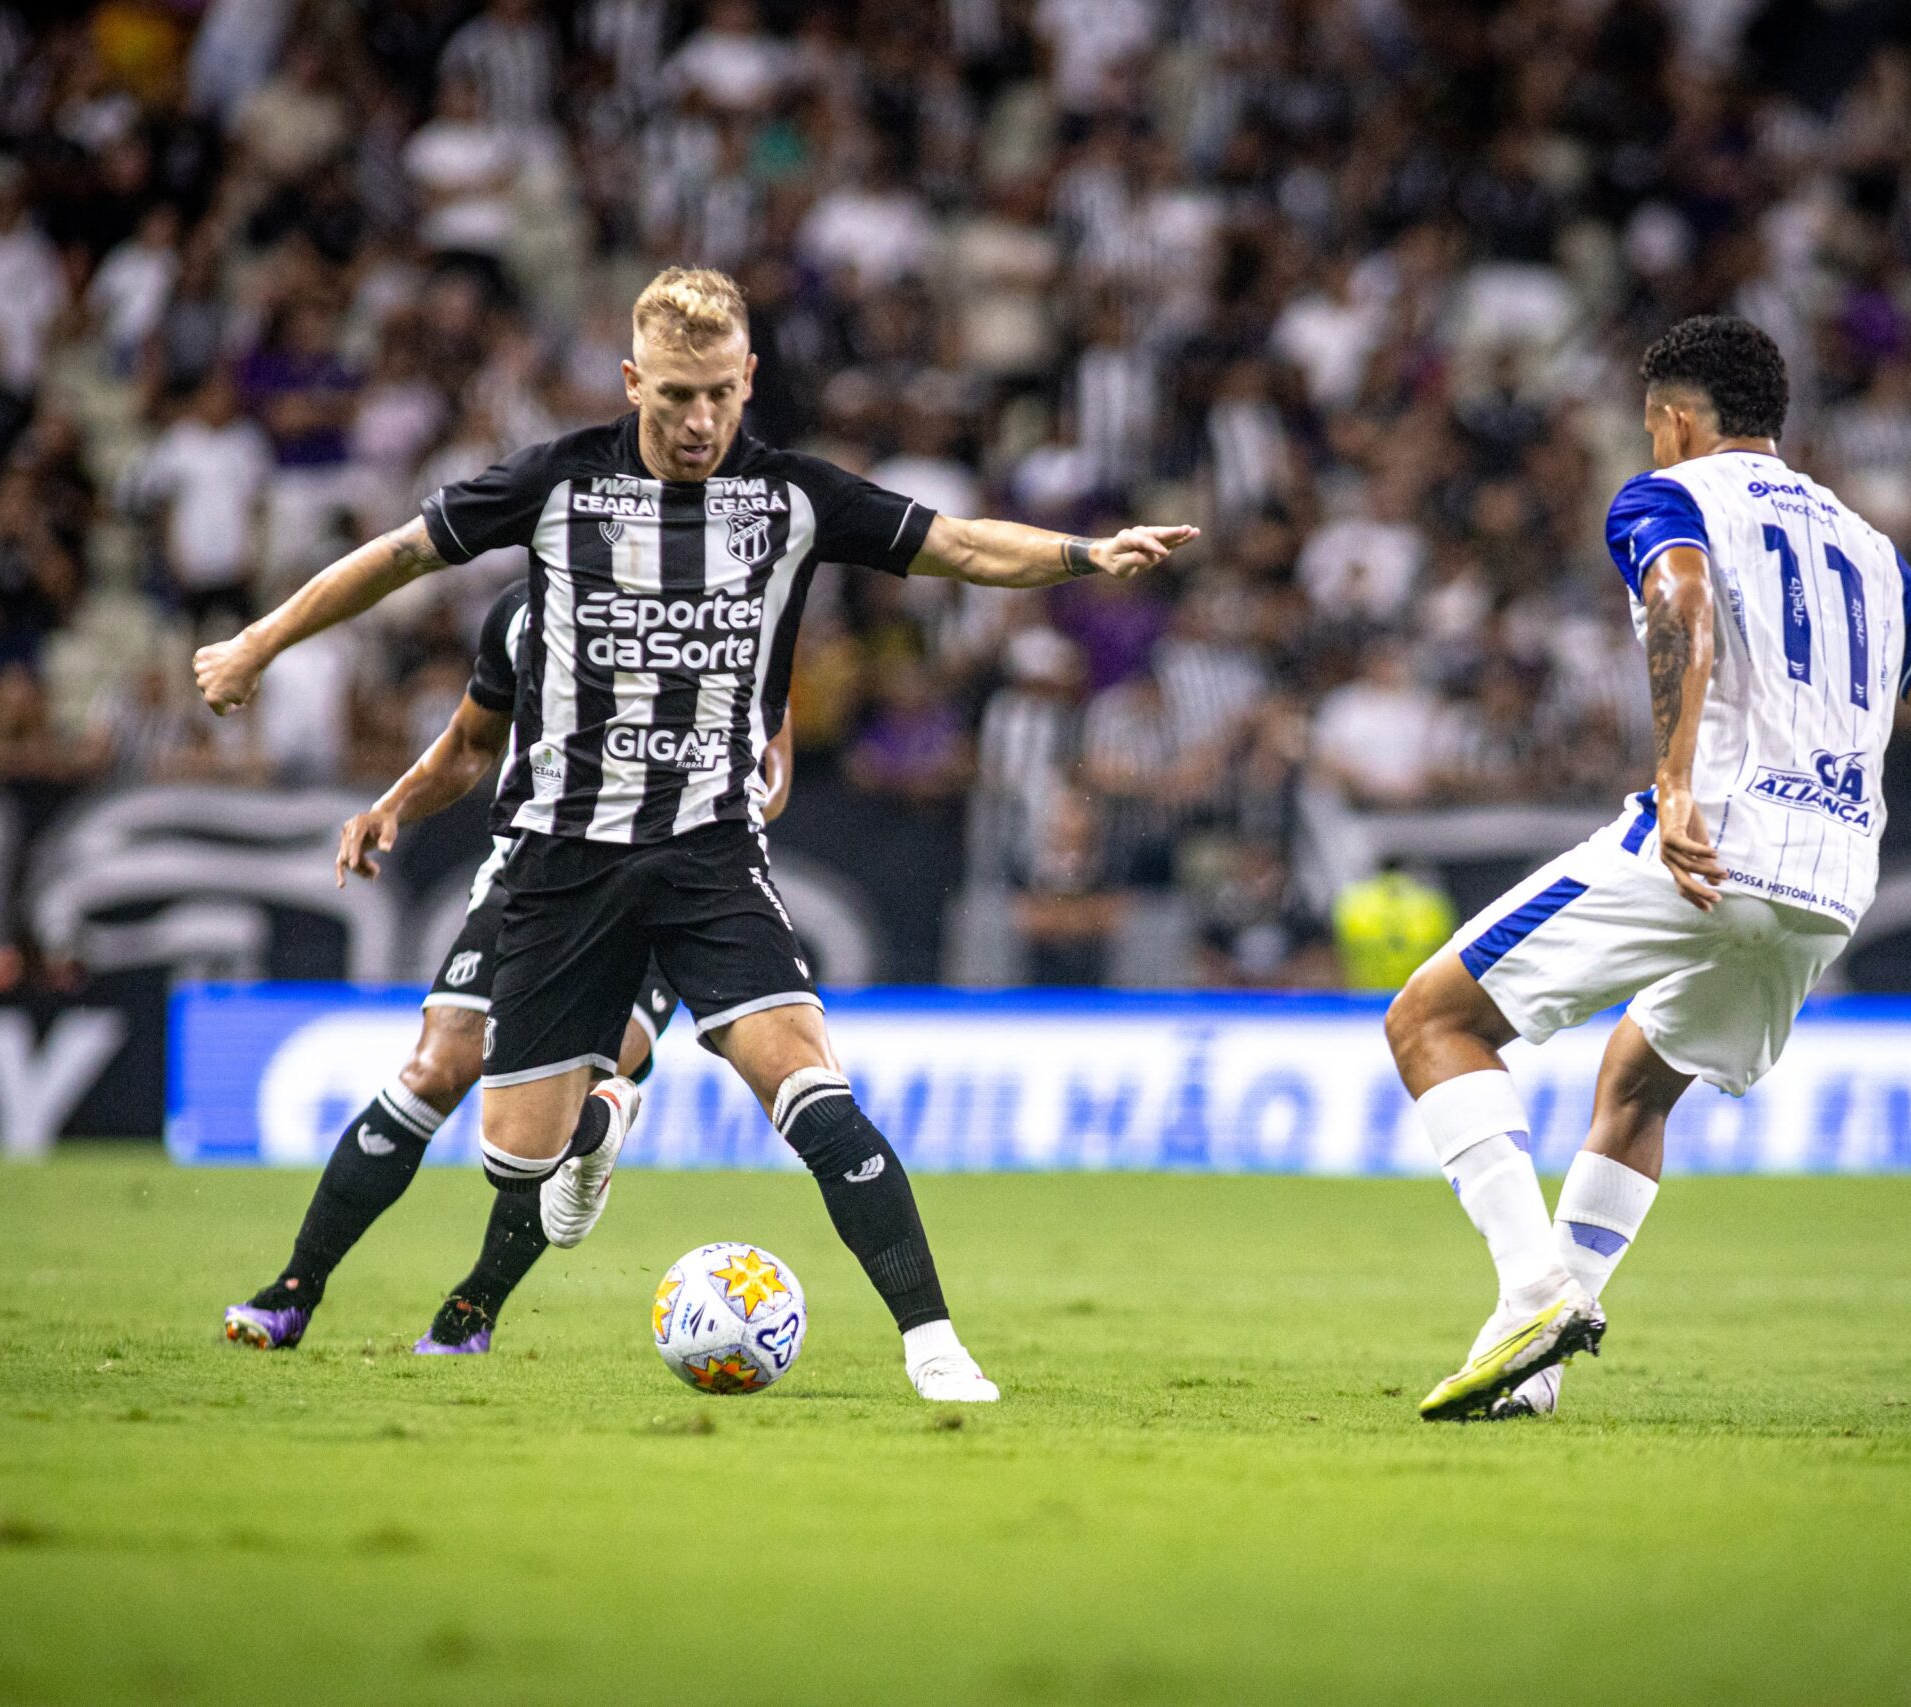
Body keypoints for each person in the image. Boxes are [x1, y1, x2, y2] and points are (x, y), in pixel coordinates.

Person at [197, 266, 1197, 1402]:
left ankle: (935, 1346)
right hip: (560, 864)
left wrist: (1085, 553)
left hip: (707, 856)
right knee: (513, 1152)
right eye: (674, 395)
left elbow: (962, 547)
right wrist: (257, 647)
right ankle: (581, 1134)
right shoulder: (557, 487)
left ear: (750, 379)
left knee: (811, 1083)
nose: (698, 421)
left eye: (720, 393)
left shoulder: (795, 498)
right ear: (631, 382)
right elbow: (400, 557)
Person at [1382, 316, 1911, 1422]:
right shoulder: (1882, 554)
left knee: (1431, 1022)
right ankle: (1536, 1373)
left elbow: (1681, 601)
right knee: (1637, 1081)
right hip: (1833, 880)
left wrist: (1672, 781)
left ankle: (1533, 1292)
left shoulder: (1666, 497)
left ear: (1671, 419)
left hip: (1707, 841)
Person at [223, 572, 796, 1355]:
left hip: (671, 883)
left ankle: (473, 1308)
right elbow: (469, 743)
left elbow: (774, 773)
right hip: (533, 874)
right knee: (435, 1065)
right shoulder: (524, 613)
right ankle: (294, 1289)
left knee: (582, 1081)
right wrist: (391, 803)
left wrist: (696, 817)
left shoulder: (726, 614)